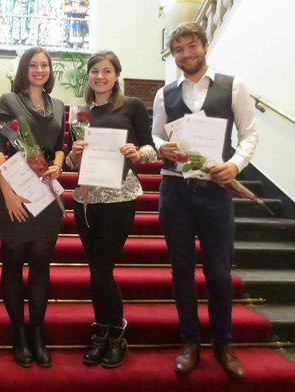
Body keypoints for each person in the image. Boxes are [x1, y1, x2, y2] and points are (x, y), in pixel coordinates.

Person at [151, 22, 258, 378]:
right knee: (181, 270)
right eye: (178, 49)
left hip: (215, 194)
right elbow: (155, 134)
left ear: (205, 44)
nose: (186, 54)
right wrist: (159, 146)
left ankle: (223, 344)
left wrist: (235, 164)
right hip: (175, 192)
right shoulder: (165, 93)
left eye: (191, 46)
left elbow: (249, 133)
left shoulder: (233, 86)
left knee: (218, 272)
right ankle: (190, 341)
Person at [66, 50, 157, 368]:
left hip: (119, 198)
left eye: (106, 71)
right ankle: (102, 332)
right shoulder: (81, 112)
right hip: (86, 198)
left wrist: (137, 152)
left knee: (102, 269)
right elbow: (68, 158)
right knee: (95, 270)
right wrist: (73, 155)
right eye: (94, 71)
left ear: (117, 74)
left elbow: (151, 147)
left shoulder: (130, 106)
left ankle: (115, 334)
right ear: (88, 75)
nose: (100, 76)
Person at [0, 47, 65, 368]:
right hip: (15, 190)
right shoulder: (8, 102)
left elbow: (61, 146)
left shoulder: (59, 105)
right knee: (13, 261)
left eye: (44, 65)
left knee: (40, 264)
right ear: (24, 69)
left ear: (50, 70)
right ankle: (18, 334)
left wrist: (59, 166)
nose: (39, 70)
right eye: (33, 65)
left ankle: (37, 333)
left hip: (45, 194)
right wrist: (7, 193)